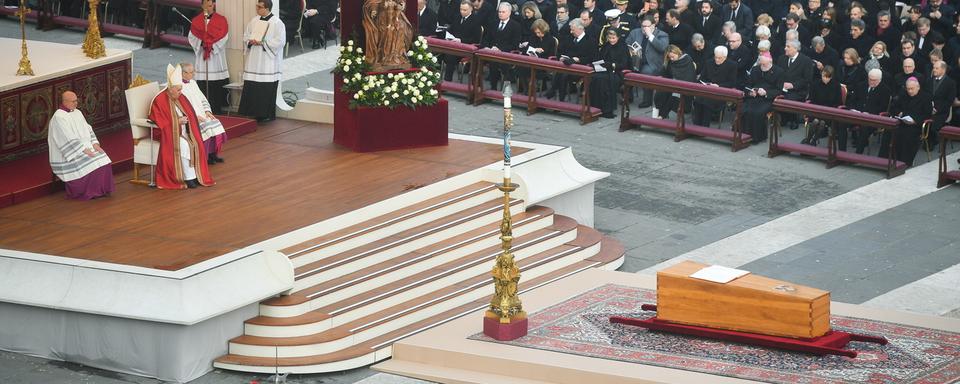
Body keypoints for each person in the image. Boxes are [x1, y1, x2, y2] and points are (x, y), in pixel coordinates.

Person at [149, 64, 215, 190]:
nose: (181, 92)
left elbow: (190, 113)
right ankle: (189, 178)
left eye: (181, 89)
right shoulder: (160, 100)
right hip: (168, 132)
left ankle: (196, 175)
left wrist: (188, 121)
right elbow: (158, 122)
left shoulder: (180, 96)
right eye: (178, 90)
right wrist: (177, 122)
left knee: (196, 143)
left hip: (184, 130)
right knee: (185, 146)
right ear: (170, 88)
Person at [47, 91, 115, 200]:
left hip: (86, 146)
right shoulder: (58, 117)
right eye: (73, 101)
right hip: (70, 153)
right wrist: (82, 149)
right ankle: (87, 192)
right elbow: (66, 138)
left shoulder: (77, 112)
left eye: (76, 101)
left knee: (103, 159)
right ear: (65, 102)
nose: (76, 103)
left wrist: (95, 143)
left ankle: (102, 190)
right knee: (92, 162)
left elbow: (88, 129)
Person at [239, 0, 286, 123]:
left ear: (267, 8)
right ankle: (252, 112)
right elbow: (246, 35)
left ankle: (265, 114)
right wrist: (250, 41)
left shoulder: (277, 23)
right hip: (254, 59)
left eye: (259, 7)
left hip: (267, 62)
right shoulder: (254, 21)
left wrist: (263, 43)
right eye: (257, 6)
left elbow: (280, 42)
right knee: (253, 86)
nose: (257, 9)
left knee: (265, 88)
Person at [188, 0, 229, 115]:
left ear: (214, 5)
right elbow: (191, 37)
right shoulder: (196, 21)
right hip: (202, 57)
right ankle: (203, 110)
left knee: (215, 86)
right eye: (206, 6)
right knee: (203, 84)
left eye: (210, 5)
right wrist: (201, 44)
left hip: (216, 57)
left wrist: (212, 46)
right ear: (202, 6)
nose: (208, 8)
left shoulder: (221, 20)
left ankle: (216, 109)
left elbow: (224, 36)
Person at [181, 63, 227, 164]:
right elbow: (181, 107)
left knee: (216, 129)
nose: (193, 74)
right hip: (193, 117)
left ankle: (213, 154)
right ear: (183, 73)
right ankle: (204, 157)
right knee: (207, 131)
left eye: (193, 72)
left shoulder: (193, 83)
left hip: (202, 114)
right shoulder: (179, 87)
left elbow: (202, 99)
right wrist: (194, 117)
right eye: (191, 72)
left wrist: (207, 111)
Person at [882, 77, 932, 167]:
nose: (909, 91)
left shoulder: (926, 97)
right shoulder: (903, 94)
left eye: (912, 89)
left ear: (918, 87)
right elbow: (894, 107)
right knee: (889, 131)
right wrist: (899, 113)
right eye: (908, 89)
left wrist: (915, 121)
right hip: (901, 122)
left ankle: (903, 162)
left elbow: (927, 115)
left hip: (915, 125)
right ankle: (885, 160)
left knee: (906, 135)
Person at [846, 68, 891, 154]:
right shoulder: (861, 85)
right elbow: (852, 100)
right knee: (841, 123)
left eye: (874, 80)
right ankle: (840, 151)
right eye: (870, 79)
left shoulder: (885, 90)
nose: (871, 82)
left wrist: (869, 113)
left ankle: (858, 154)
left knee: (865, 128)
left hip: (872, 119)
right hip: (856, 115)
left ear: (880, 80)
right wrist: (853, 109)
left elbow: (883, 108)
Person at [627, 15, 668, 108]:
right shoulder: (635, 32)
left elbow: (662, 48)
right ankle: (628, 96)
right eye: (643, 26)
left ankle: (647, 100)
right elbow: (626, 44)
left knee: (646, 72)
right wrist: (631, 51)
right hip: (635, 61)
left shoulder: (662, 35)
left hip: (651, 63)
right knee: (624, 69)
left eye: (647, 26)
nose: (644, 28)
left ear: (653, 25)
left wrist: (650, 35)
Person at [742, 53, 784, 143]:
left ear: (770, 61)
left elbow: (779, 90)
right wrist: (750, 91)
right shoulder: (755, 69)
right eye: (761, 64)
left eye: (764, 64)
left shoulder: (779, 71)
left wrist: (766, 93)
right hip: (753, 97)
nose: (762, 66)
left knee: (757, 112)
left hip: (767, 99)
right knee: (744, 110)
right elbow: (748, 85)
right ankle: (743, 135)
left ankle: (756, 137)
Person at [363, 0, 415, 71]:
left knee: (401, 28)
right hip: (382, 18)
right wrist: (373, 10)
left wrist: (402, 4)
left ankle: (397, 55)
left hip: (395, 16)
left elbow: (400, 2)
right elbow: (372, 2)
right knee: (388, 31)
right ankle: (384, 57)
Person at [692, 45, 736, 126]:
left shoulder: (732, 65)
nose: (717, 59)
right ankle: (696, 126)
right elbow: (702, 78)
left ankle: (704, 127)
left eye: (720, 58)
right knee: (698, 101)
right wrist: (706, 84)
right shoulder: (709, 62)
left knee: (707, 101)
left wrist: (718, 86)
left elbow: (732, 82)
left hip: (720, 93)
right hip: (706, 90)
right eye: (716, 57)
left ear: (725, 57)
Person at [591, 29, 629, 118]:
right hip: (604, 70)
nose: (611, 40)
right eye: (609, 38)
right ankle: (596, 107)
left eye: (613, 38)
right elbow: (600, 57)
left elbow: (624, 64)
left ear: (618, 37)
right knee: (595, 78)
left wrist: (612, 65)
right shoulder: (606, 45)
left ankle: (607, 109)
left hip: (618, 72)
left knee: (606, 81)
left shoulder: (623, 47)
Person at [484, 2, 522, 90]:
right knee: (481, 59)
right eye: (499, 12)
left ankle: (505, 91)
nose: (500, 14)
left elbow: (515, 44)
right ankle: (490, 88)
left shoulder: (516, 26)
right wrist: (486, 47)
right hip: (491, 52)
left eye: (503, 12)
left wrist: (500, 49)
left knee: (498, 64)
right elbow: (486, 38)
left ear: (509, 13)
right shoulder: (493, 23)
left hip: (506, 54)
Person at [801, 65, 842, 146]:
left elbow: (838, 102)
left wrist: (831, 109)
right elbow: (812, 99)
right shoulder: (815, 84)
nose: (825, 78)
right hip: (816, 110)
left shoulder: (836, 86)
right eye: (823, 76)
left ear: (831, 77)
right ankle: (810, 139)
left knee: (822, 122)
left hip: (829, 112)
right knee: (815, 121)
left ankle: (813, 140)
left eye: (827, 77)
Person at [443, 0, 483, 81]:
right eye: (461, 9)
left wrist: (461, 40)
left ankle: (447, 82)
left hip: (467, 49)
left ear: (471, 9)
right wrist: (448, 36)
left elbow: (476, 39)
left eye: (464, 10)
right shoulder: (457, 17)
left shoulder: (476, 20)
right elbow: (451, 30)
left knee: (450, 56)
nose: (462, 12)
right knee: (443, 53)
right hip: (454, 46)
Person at [654, 44, 696, 119]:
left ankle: (662, 115)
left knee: (673, 95)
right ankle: (659, 114)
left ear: (677, 53)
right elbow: (664, 73)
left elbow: (690, 76)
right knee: (660, 93)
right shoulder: (670, 61)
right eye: (670, 57)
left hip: (684, 88)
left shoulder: (687, 59)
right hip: (672, 85)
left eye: (673, 57)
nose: (672, 59)